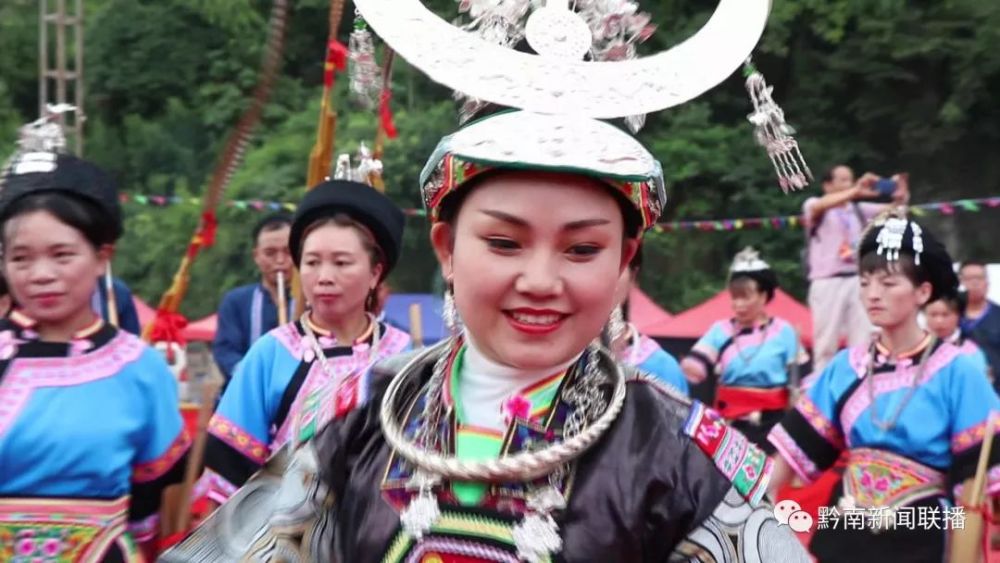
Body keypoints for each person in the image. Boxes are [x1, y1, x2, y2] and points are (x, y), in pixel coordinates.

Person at [166, 0, 810, 560]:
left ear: (623, 262)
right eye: (503, 242)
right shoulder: (358, 421)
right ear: (446, 247)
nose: (539, 280)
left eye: (582, 249)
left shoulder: (681, 455)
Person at [768, 210, 1000, 562]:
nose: (873, 294)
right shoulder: (845, 367)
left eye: (888, 284)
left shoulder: (957, 371)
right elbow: (794, 449)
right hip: (845, 528)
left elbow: (983, 476)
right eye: (865, 283)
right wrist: (751, 498)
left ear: (923, 291)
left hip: (921, 533)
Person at [0, 130, 189, 560]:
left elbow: (153, 493)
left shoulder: (140, 367)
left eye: (62, 255)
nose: (41, 274)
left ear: (102, 257)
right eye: (21, 258)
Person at [201, 180, 412, 505]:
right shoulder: (272, 353)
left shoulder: (403, 353)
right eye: (312, 262)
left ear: (375, 273)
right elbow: (230, 468)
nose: (324, 276)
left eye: (341, 263)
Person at [681, 247, 808, 453]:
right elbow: (696, 367)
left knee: (768, 482)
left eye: (745, 297)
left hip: (773, 426)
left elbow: (802, 380)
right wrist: (690, 368)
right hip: (728, 424)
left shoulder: (783, 331)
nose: (738, 305)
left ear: (764, 296)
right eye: (734, 297)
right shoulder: (720, 330)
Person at [804, 165, 910, 372]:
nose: (849, 184)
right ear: (827, 185)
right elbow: (817, 207)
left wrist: (901, 193)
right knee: (826, 340)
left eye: (850, 180)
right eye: (842, 180)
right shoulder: (815, 205)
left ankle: (861, 381)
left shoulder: (858, 209)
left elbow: (895, 212)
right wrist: (856, 191)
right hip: (827, 280)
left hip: (857, 278)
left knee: (863, 337)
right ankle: (821, 386)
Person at [212, 212, 295, 382]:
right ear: (256, 256)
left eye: (288, 252)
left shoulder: (315, 301)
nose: (280, 260)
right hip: (248, 392)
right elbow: (226, 352)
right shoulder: (236, 301)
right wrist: (256, 381)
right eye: (270, 253)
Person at [610, 248, 689, 395]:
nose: (600, 280)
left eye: (614, 267)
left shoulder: (662, 368)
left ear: (633, 277)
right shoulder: (556, 359)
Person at [925, 294, 991, 378]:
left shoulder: (971, 351)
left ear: (958, 316)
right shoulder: (914, 348)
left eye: (945, 315)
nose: (939, 321)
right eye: (933, 315)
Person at [959, 260, 1000, 385]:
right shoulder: (950, 316)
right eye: (969, 278)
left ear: (987, 283)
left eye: (979, 278)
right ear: (960, 282)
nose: (974, 283)